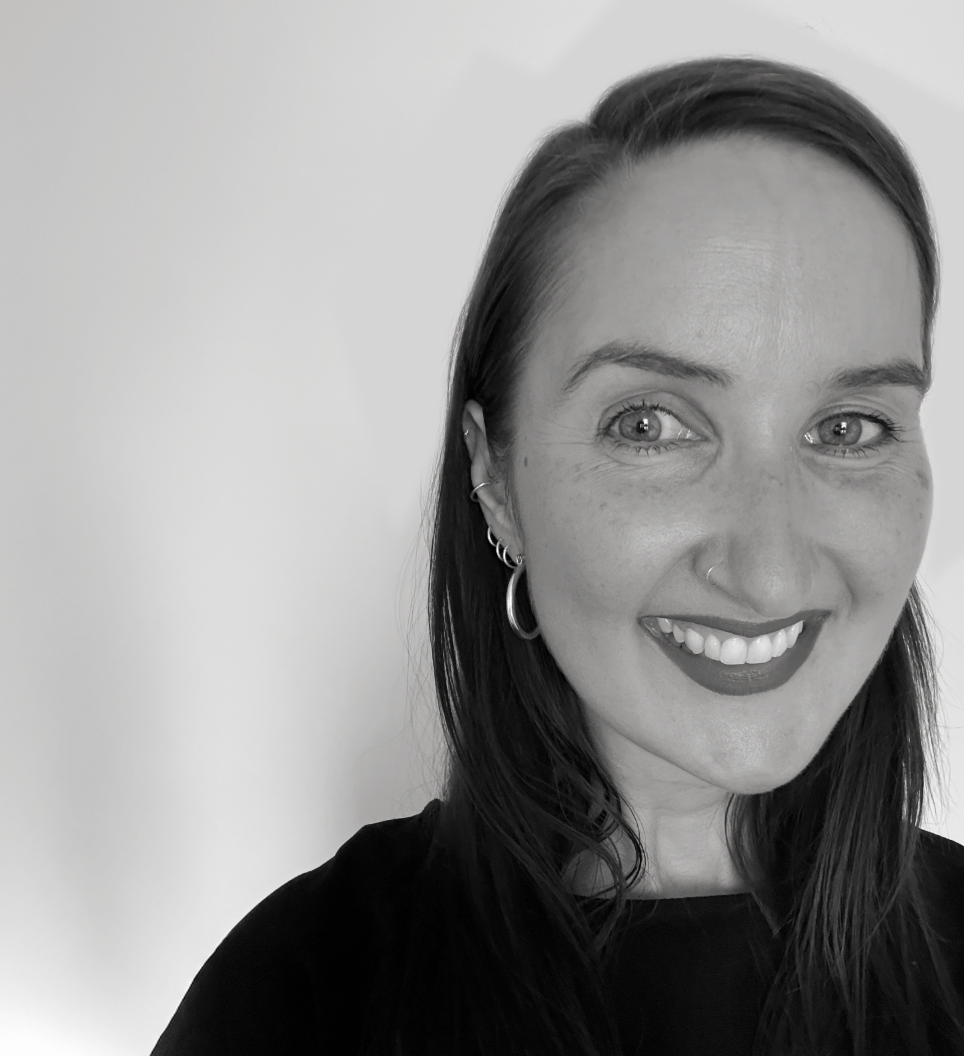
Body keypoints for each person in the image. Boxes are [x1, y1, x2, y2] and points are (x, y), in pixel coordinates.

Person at [150, 56, 964, 1056]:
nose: (770, 572)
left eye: (848, 428)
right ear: (496, 477)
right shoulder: (298, 997)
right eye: (650, 425)